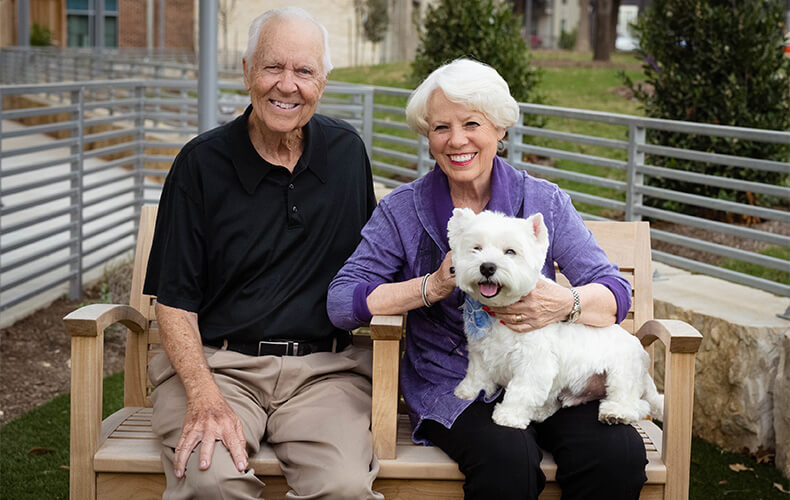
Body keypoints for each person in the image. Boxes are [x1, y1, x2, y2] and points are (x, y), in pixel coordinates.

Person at [327, 58, 647, 500]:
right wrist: (432, 286)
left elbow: (614, 292)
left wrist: (563, 304)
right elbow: (342, 302)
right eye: (441, 127)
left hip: (548, 376)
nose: (456, 140)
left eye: (472, 123)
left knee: (617, 456)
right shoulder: (402, 210)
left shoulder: (543, 201)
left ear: (500, 128)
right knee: (507, 459)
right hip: (456, 385)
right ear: (427, 136)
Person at [143, 7, 382, 500]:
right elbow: (173, 302)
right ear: (247, 71)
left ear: (324, 81)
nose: (287, 85)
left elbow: (372, 265)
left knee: (344, 488)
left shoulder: (346, 154)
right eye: (273, 67)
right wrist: (204, 393)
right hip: (219, 367)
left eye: (303, 71)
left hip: (325, 374)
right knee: (211, 482)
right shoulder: (200, 165)